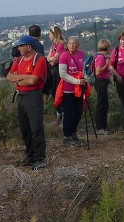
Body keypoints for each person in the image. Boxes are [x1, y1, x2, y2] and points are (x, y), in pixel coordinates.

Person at [6, 36, 48, 168]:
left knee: (36, 128)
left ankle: (40, 158)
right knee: (25, 128)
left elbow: (33, 81)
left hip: (34, 96)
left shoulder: (40, 60)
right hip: (22, 96)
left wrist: (18, 80)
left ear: (28, 47)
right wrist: (24, 77)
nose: (18, 48)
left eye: (20, 46)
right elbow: (9, 76)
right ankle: (30, 156)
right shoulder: (18, 60)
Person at [57, 36, 88, 148]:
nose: (72, 45)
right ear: (67, 44)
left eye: (74, 43)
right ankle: (67, 136)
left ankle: (73, 131)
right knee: (69, 112)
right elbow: (63, 74)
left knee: (79, 111)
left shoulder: (81, 54)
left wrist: (84, 79)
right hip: (67, 89)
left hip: (78, 88)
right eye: (70, 43)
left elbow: (83, 70)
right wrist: (77, 81)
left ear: (78, 44)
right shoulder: (64, 56)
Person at [92, 38, 112, 133]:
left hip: (102, 82)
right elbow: (98, 71)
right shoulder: (101, 57)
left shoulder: (98, 56)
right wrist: (107, 64)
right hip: (101, 82)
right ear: (107, 47)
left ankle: (103, 126)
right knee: (102, 104)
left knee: (104, 103)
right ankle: (100, 127)